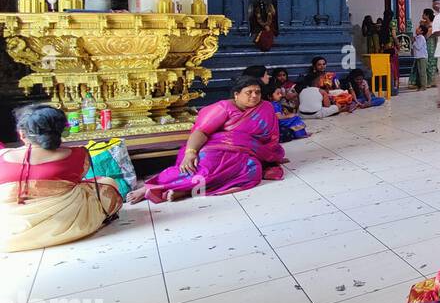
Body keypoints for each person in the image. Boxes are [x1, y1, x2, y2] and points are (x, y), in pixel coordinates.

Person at [128, 76, 286, 204]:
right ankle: (151, 187)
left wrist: (269, 154)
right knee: (204, 169)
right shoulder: (224, 107)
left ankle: (185, 191)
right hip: (213, 149)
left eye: (257, 92)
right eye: (249, 92)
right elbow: (201, 131)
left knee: (252, 171)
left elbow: (270, 137)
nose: (254, 96)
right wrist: (190, 153)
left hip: (245, 154)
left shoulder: (265, 107)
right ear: (236, 94)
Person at [2, 104, 123, 251]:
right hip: (69, 225)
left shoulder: (3, 156)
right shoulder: (78, 154)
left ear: (22, 134)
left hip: (8, 233)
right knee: (108, 182)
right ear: (62, 131)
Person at [379, 14, 400, 96]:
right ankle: (394, 89)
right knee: (394, 69)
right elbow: (394, 36)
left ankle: (387, 87)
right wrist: (398, 44)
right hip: (391, 49)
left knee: (387, 69)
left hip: (384, 49)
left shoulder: (383, 24)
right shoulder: (392, 23)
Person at [410, 21, 430, 91]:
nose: (416, 29)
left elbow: (418, 47)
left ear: (421, 32)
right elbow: (413, 47)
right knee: (419, 72)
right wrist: (413, 41)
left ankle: (424, 86)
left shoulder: (421, 37)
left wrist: (414, 41)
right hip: (418, 57)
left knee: (422, 72)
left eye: (418, 28)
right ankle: (420, 85)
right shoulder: (417, 37)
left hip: (423, 57)